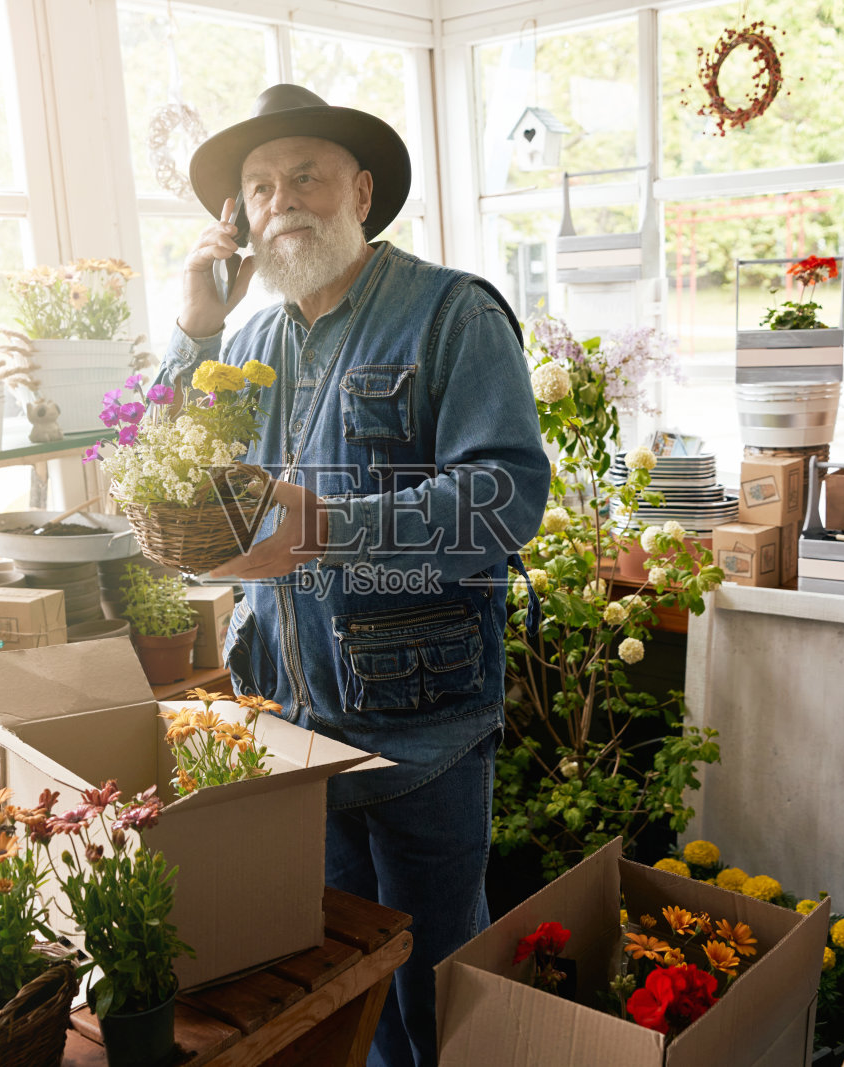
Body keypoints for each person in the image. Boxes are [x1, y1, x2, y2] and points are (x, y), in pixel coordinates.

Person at [155, 84, 550, 1065]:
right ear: (237, 222)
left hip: (426, 736)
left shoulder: (450, 313)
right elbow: (156, 472)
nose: (279, 199)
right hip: (287, 734)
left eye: (305, 175)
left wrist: (324, 524)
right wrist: (192, 330)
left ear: (361, 191)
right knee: (340, 993)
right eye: (257, 188)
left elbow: (507, 496)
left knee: (440, 989)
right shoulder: (239, 345)